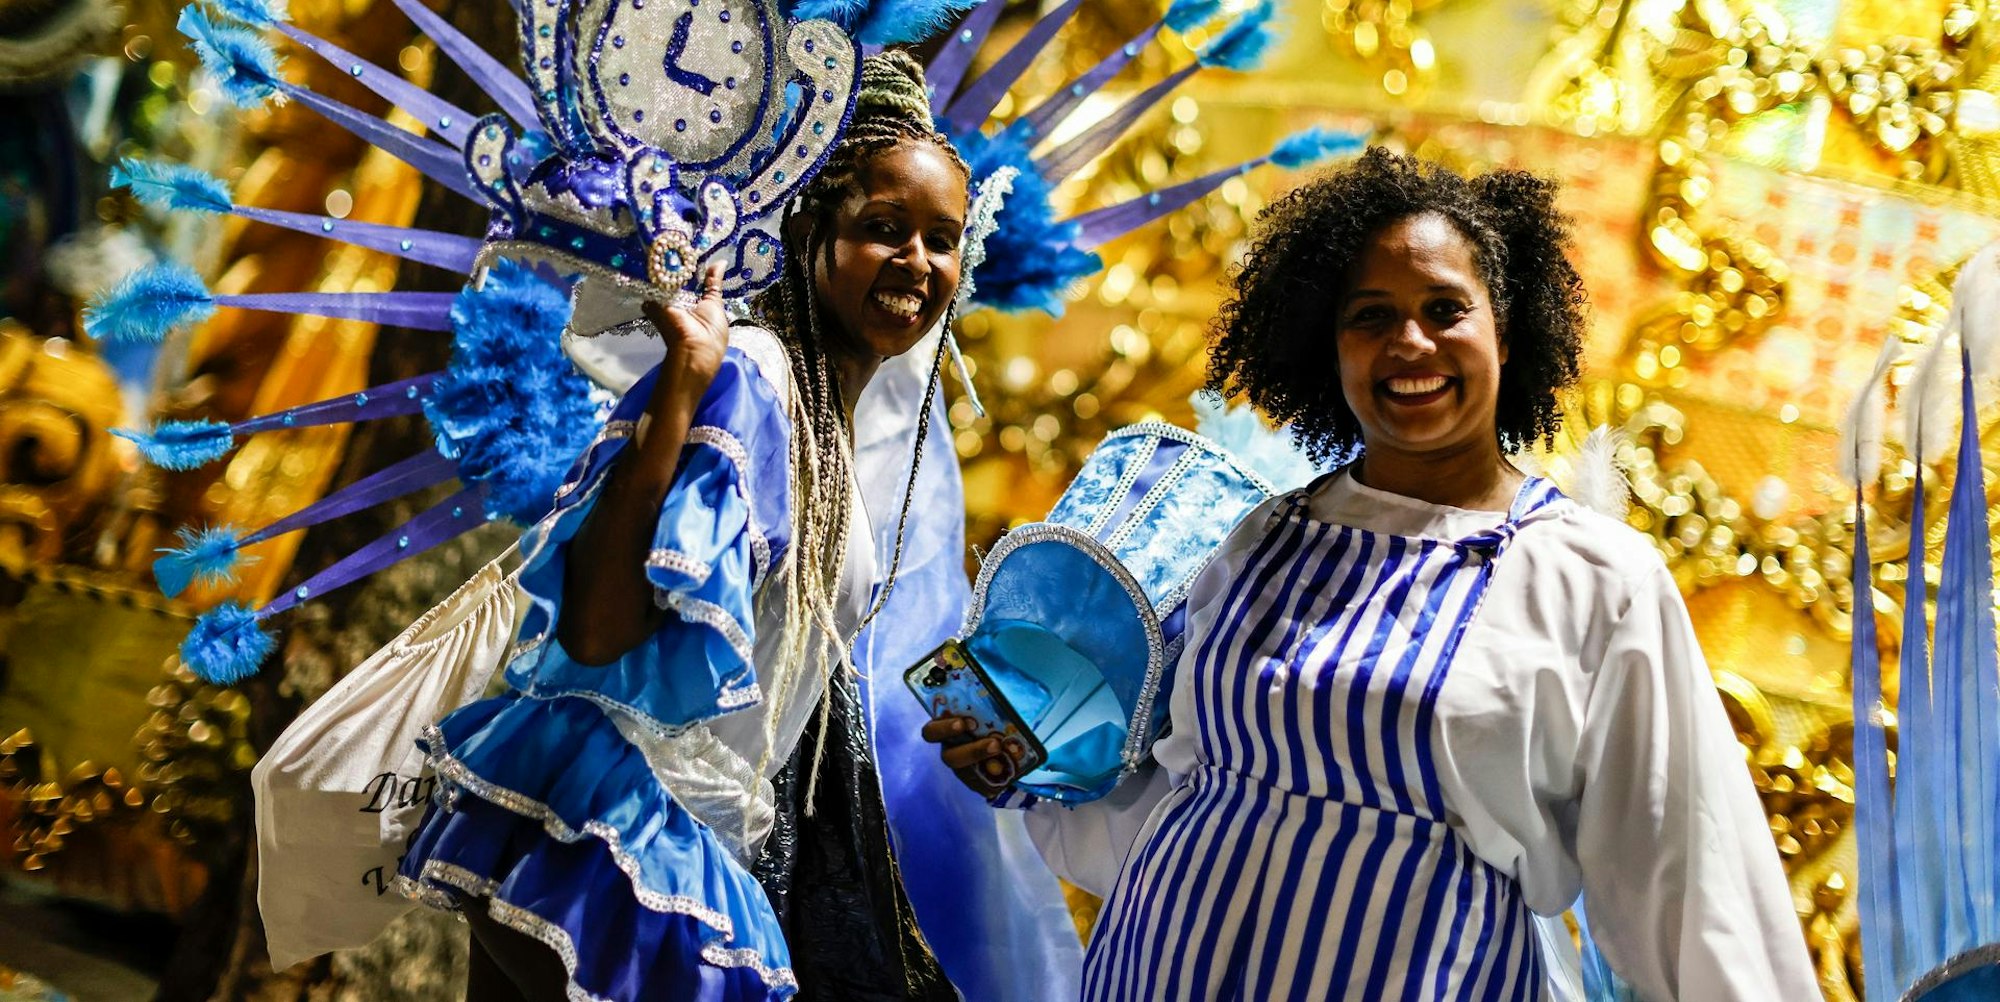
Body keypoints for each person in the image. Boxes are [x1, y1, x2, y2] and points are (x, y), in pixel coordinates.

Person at [926, 147, 1818, 999]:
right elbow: (1179, 798)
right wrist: (1026, 764)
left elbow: (1686, 882)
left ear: (1508, 330)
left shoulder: (1592, 577)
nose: (1410, 342)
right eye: (1371, 316)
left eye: (1445, 309)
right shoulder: (1260, 535)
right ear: (1329, 347)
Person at [397, 51, 970, 1002]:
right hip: (615, 836)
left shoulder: (827, 419)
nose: (917, 263)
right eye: (883, 229)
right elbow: (597, 632)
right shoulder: (752, 375)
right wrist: (683, 396)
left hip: (679, 845)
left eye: (942, 239)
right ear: (810, 233)